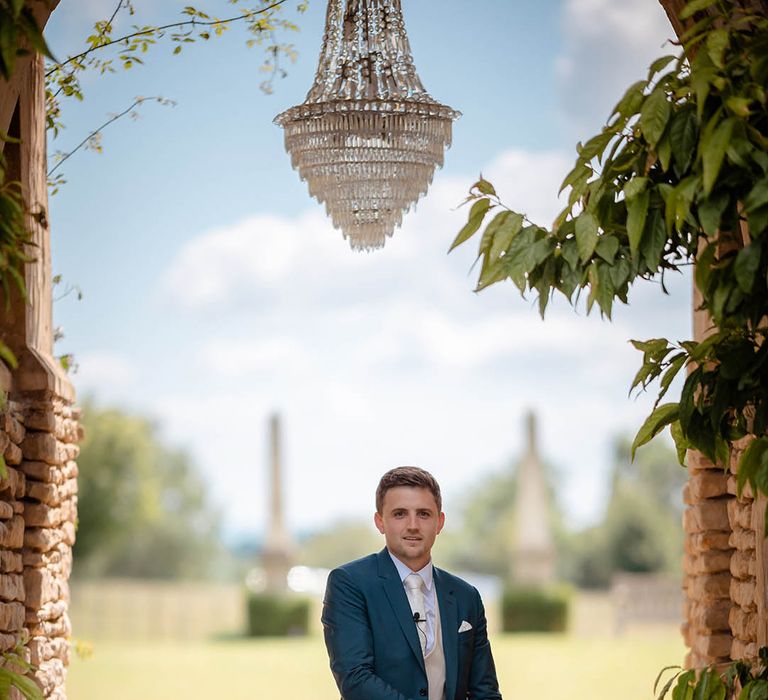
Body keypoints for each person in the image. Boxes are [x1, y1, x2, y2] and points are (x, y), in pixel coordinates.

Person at [322, 466, 502, 700]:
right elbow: (355, 679)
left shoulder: (466, 596)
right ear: (380, 522)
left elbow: (484, 691)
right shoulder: (349, 583)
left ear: (440, 522)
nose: (413, 525)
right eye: (400, 514)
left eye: (424, 514)